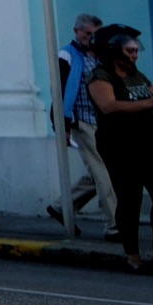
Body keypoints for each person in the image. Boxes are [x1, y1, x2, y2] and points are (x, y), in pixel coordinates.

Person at [85, 24, 153, 269]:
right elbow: (109, 106)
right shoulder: (100, 76)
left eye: (135, 50)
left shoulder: (138, 75)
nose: (134, 55)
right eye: (129, 51)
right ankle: (133, 256)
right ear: (112, 50)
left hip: (148, 142)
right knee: (130, 200)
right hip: (119, 145)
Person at [51, 13, 119, 239]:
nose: (90, 37)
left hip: (102, 121)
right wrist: (62, 122)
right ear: (77, 32)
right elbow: (59, 88)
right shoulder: (67, 54)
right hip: (81, 120)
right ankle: (114, 226)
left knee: (98, 171)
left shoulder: (100, 56)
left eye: (94, 34)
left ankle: (63, 207)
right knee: (104, 174)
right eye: (87, 33)